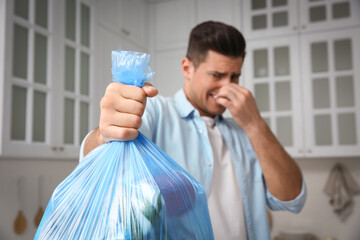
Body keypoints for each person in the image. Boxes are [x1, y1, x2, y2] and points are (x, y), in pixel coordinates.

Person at [81, 21, 306, 240]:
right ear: (187, 68)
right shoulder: (156, 112)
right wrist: (105, 133)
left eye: (234, 76)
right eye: (216, 75)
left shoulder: (247, 133)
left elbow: (292, 199)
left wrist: (255, 123)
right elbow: (97, 160)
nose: (228, 86)